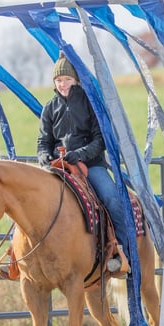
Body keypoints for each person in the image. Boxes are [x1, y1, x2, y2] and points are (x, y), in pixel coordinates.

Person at [37, 52, 129, 272]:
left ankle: (123, 252)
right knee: (29, 196)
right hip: (57, 166)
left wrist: (80, 154)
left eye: (67, 80)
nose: (62, 84)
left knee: (112, 198)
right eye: (58, 80)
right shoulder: (49, 108)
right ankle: (19, 255)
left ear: (76, 80)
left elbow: (101, 140)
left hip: (91, 165)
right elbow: (43, 141)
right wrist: (43, 156)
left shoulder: (91, 104)